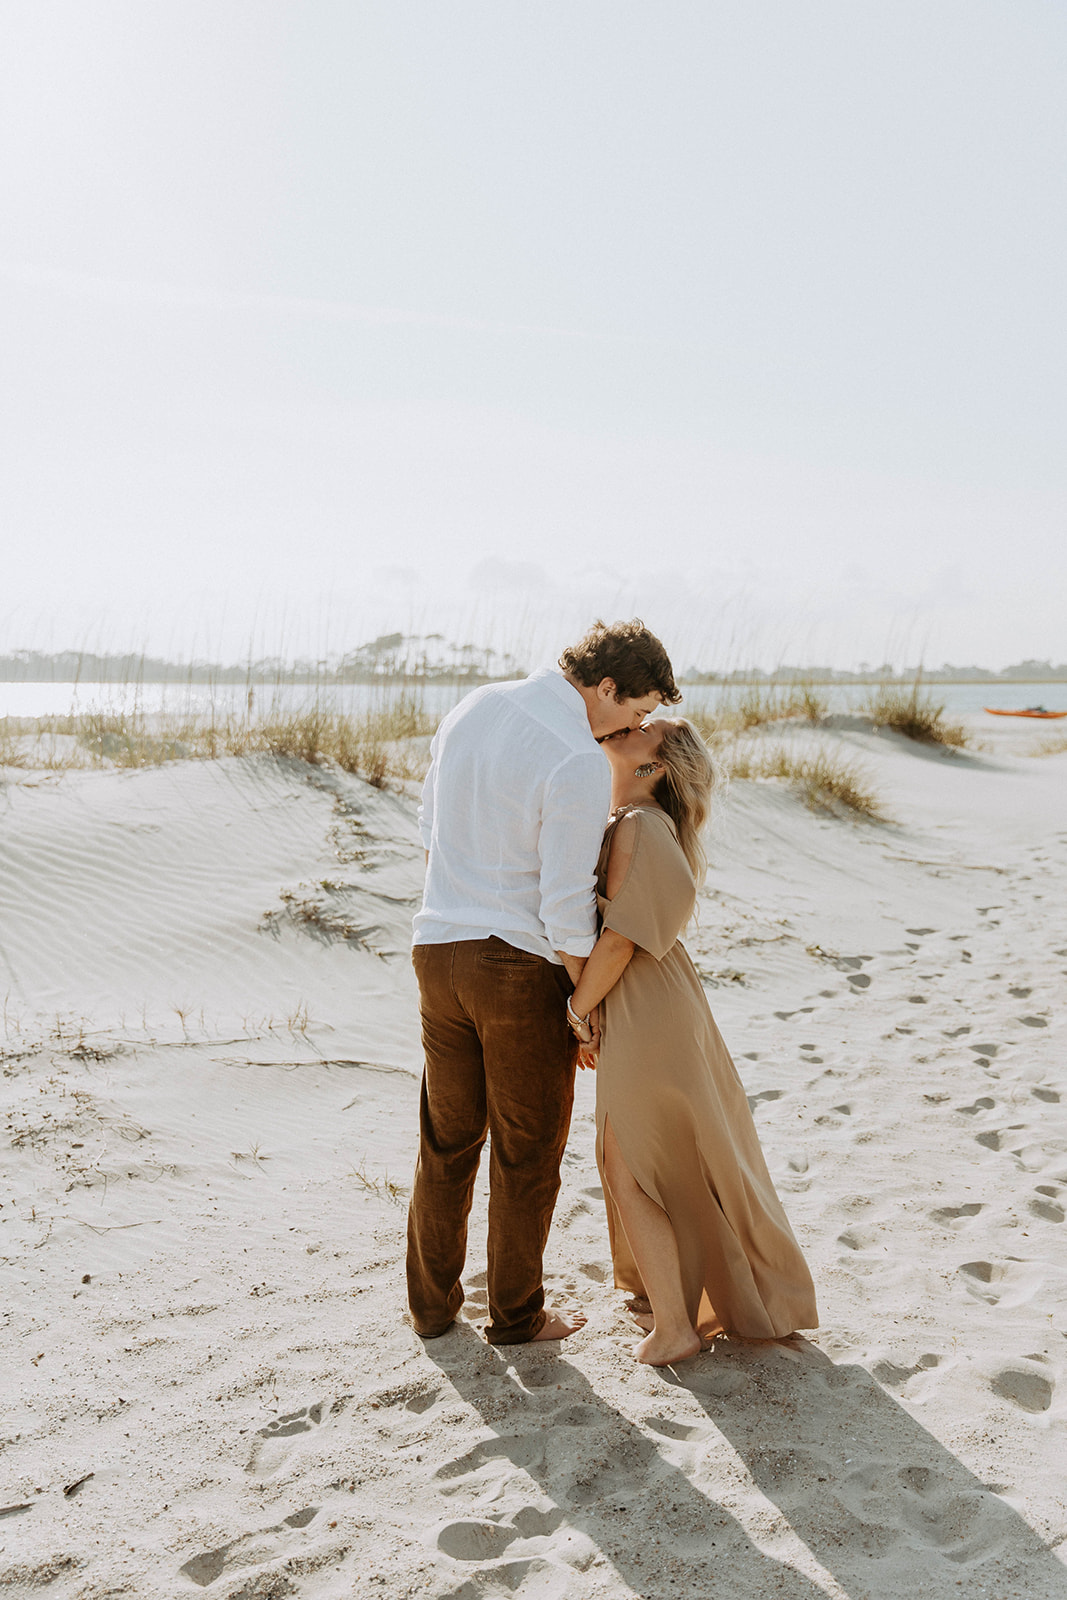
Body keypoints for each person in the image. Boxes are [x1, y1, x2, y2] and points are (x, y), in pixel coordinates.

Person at [406, 620, 681, 1345]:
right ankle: (517, 1317)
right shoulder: (575, 757)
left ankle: (431, 1311)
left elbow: (427, 822)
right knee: (527, 1152)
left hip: (436, 946)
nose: (634, 725)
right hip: (516, 965)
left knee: (446, 1139)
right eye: (635, 710)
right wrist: (581, 1007)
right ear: (605, 687)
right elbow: (563, 905)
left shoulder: (473, 706)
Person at [566, 716, 819, 1366]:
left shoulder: (637, 825)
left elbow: (619, 939)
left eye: (650, 728)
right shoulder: (634, 821)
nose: (633, 724)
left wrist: (576, 1009)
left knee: (627, 1164)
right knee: (658, 1157)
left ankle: (677, 1326)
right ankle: (675, 1303)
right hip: (650, 1003)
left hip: (644, 1006)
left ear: (658, 766)